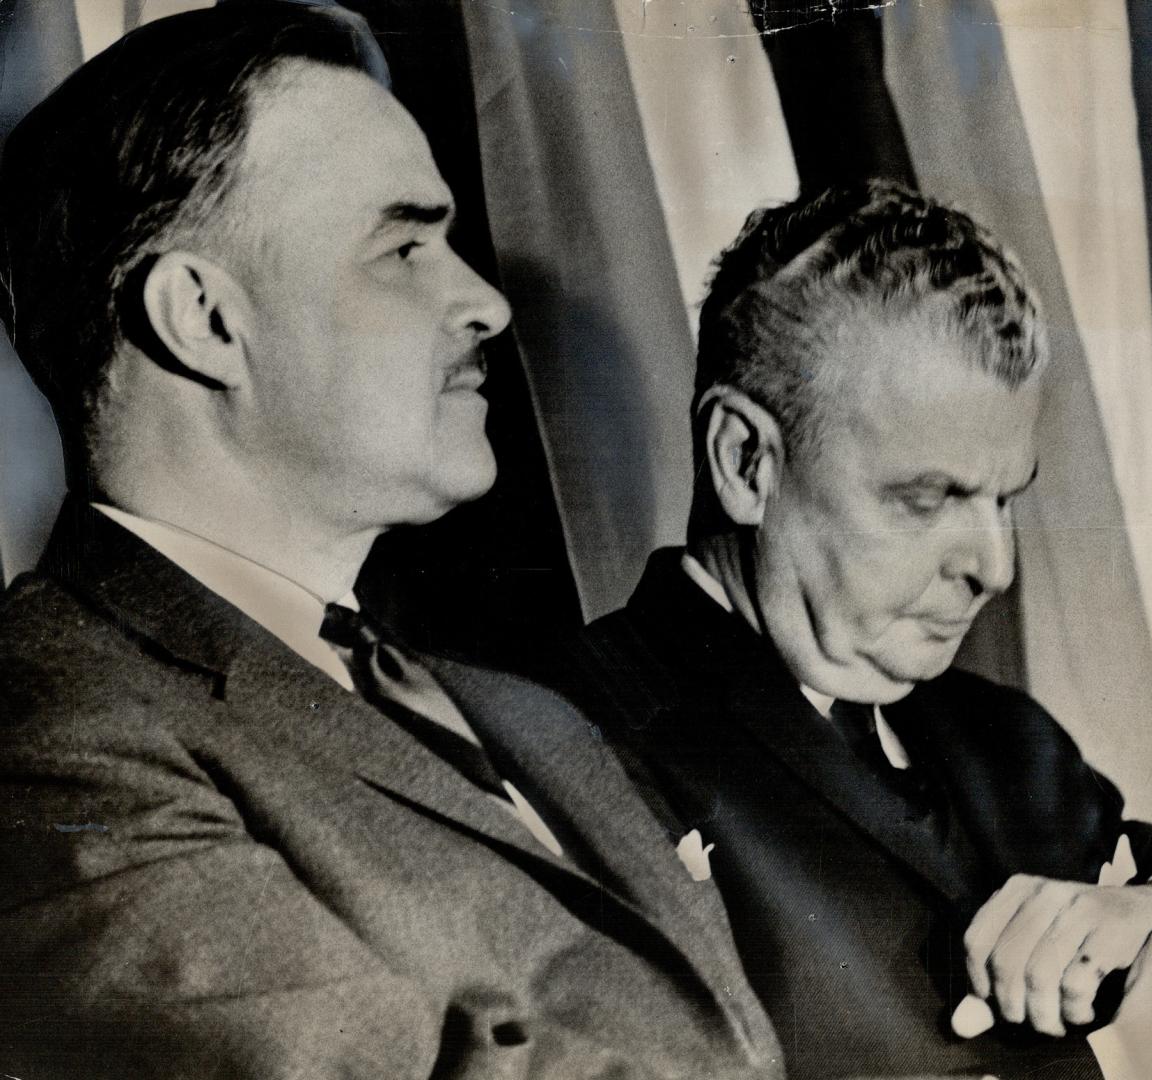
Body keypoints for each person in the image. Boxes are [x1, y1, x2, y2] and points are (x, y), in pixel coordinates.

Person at [0, 6, 785, 1078]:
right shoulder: (44, 732)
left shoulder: (526, 718)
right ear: (203, 318)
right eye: (404, 246)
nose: (485, 303)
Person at [545, 180, 1152, 1080]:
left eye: (1003, 499)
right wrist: (1124, 1067)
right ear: (745, 459)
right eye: (928, 498)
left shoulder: (1007, 745)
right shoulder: (563, 740)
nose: (993, 568)